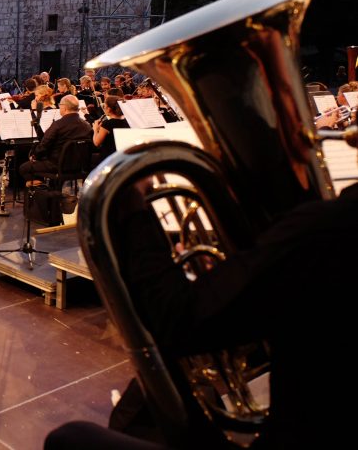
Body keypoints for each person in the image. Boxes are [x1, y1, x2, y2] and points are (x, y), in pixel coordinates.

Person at [47, 165, 358, 449]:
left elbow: (175, 318)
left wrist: (133, 209)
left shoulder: (329, 227)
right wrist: (230, 279)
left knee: (69, 439)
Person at [20, 94, 92, 183]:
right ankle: (50, 190)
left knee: (24, 168)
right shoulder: (87, 125)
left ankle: (42, 192)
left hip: (57, 165)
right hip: (80, 166)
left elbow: (44, 146)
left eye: (60, 106)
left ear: (65, 108)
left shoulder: (58, 125)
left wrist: (35, 155)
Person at [92, 96, 130, 162]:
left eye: (104, 106)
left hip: (109, 157)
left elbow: (97, 143)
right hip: (122, 155)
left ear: (109, 109)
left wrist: (95, 129)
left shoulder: (107, 124)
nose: (104, 108)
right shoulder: (127, 120)